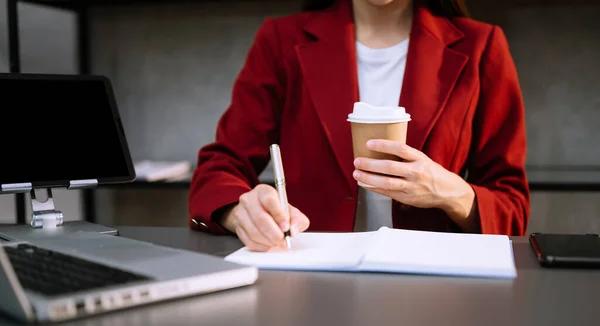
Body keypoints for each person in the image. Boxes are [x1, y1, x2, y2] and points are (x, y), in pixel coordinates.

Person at [188, 0, 530, 252]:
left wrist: (450, 192)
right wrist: (239, 211)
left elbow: (511, 207)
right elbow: (220, 168)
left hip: (433, 284)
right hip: (311, 276)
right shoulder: (281, 41)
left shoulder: (482, 46)